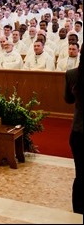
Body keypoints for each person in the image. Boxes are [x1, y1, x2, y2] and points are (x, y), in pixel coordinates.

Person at [64, 48, 83, 214]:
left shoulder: (72, 74)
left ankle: (78, 211)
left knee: (80, 174)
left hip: (79, 131)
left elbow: (68, 100)